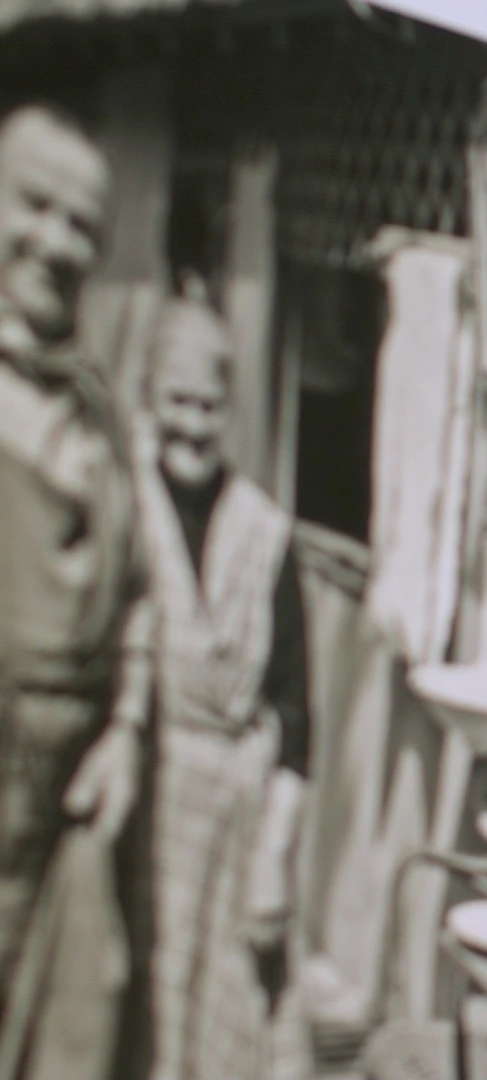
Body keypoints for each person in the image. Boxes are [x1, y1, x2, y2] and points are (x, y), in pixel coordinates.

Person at [0, 103, 151, 1080]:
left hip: (70, 801)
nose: (56, 243)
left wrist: (127, 730)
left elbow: (137, 593)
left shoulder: (97, 412)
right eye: (34, 205)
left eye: (82, 224)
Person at [133, 293, 309, 1080]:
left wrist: (274, 856)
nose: (193, 425)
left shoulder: (265, 533)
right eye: (177, 400)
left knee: (230, 1034)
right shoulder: (123, 507)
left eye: (210, 405)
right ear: (149, 397)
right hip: (142, 816)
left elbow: (298, 717)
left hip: (239, 824)